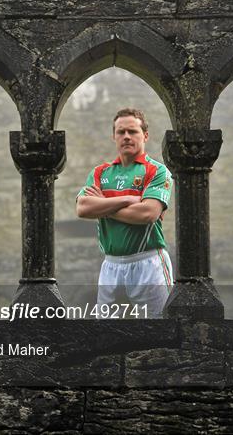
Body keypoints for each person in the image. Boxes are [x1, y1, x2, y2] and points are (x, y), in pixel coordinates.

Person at [76, 108, 173, 318]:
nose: (126, 136)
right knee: (105, 334)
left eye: (132, 131)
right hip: (111, 264)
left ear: (145, 135)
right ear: (114, 136)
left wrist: (103, 205)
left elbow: (148, 214)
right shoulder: (100, 173)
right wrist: (127, 200)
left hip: (148, 262)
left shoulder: (157, 171)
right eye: (121, 132)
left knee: (158, 330)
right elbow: (83, 208)